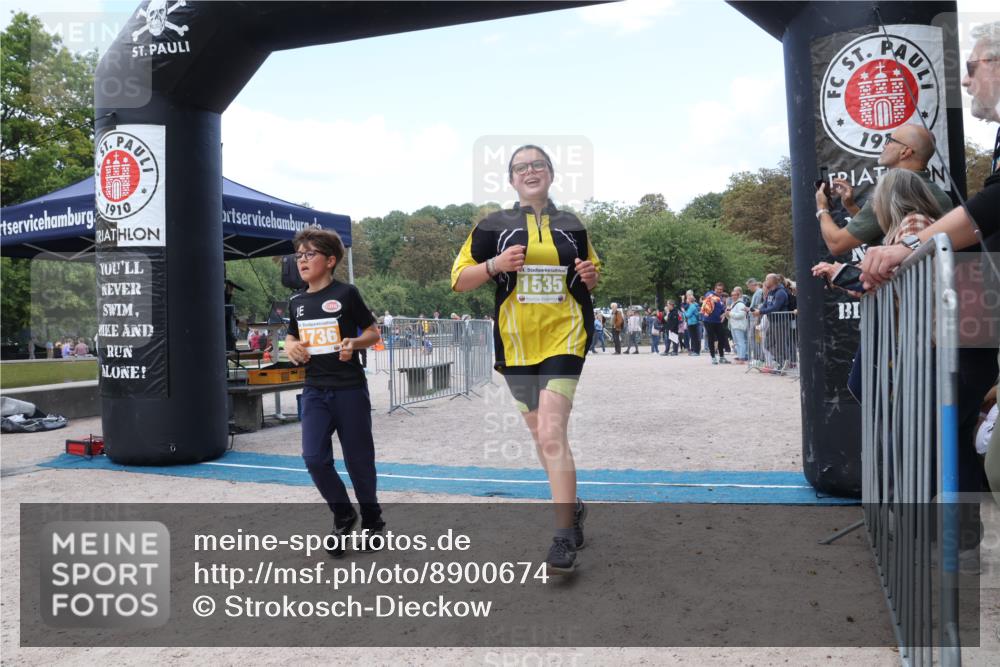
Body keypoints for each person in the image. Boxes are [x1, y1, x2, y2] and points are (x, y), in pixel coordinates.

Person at [860, 21, 1000, 502]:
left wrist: (906, 249)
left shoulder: (919, 216)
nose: (965, 79)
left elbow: (994, 205)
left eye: (972, 66)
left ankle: (958, 536)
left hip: (964, 336)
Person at [451, 143, 599, 574]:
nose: (530, 171)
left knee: (552, 431)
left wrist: (590, 276)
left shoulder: (572, 225)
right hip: (515, 343)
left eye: (538, 165)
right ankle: (572, 507)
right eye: (521, 167)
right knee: (542, 438)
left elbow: (591, 274)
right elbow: (459, 280)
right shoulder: (492, 226)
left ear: (551, 173)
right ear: (511, 179)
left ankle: (562, 536)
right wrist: (495, 264)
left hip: (565, 335)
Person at [284, 226, 384, 557]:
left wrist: (353, 343)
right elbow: (291, 336)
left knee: (359, 461)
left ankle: (372, 519)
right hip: (315, 389)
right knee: (313, 458)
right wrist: (290, 346)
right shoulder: (296, 301)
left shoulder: (347, 294)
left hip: (349, 389)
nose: (301, 261)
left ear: (329, 261)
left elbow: (373, 333)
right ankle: (343, 514)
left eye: (309, 254)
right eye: (298, 255)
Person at [816, 123, 953, 255]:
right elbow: (884, 232)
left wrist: (822, 207)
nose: (884, 145)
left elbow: (836, 244)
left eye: (890, 141)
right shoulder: (942, 197)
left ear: (905, 152)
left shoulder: (892, 192)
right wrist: (851, 206)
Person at [701, 282, 730, 365]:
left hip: (718, 321)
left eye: (721, 289)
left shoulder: (720, 299)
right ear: (714, 289)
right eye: (718, 289)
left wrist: (724, 312)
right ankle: (713, 357)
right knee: (711, 338)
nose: (719, 291)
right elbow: (708, 298)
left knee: (722, 338)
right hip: (708, 321)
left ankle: (721, 357)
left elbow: (721, 309)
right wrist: (714, 298)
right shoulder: (710, 294)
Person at [727, 287, 750, 362]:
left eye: (735, 295)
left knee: (741, 342)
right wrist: (727, 314)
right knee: (737, 342)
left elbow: (741, 315)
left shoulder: (740, 304)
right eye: (732, 295)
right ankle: (740, 356)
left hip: (739, 325)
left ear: (738, 296)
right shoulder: (732, 304)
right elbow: (730, 315)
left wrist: (730, 313)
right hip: (734, 325)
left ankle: (742, 357)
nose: (733, 296)